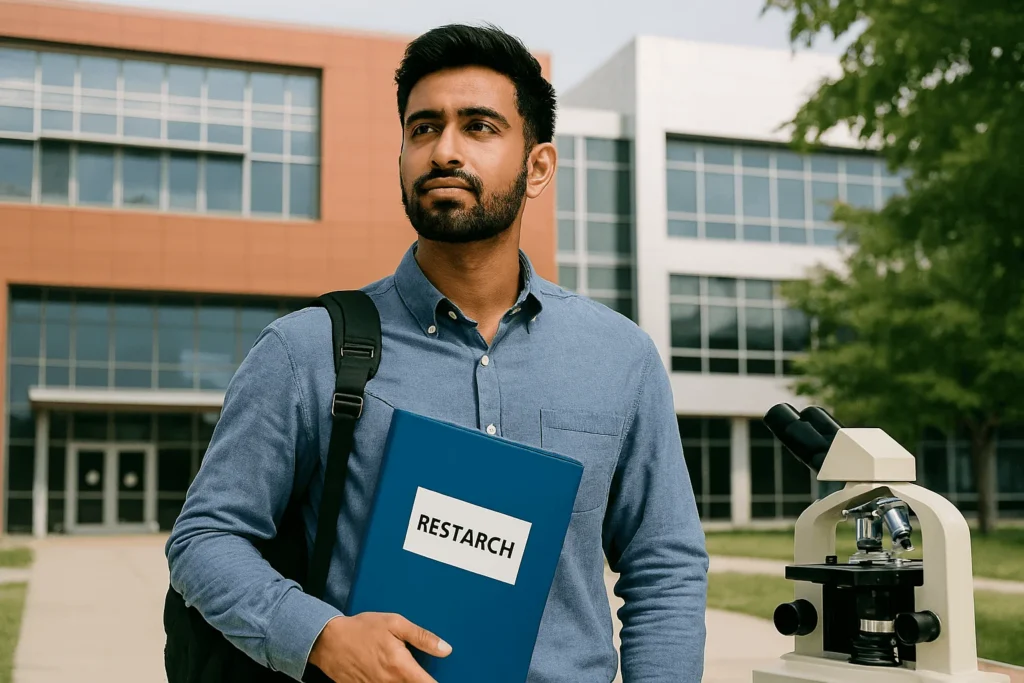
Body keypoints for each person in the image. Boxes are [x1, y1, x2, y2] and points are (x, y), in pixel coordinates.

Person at [166, 23, 708, 683]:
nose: (444, 149)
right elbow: (205, 539)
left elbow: (665, 566)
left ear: (539, 166)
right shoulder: (304, 349)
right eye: (423, 129)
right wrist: (320, 635)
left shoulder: (621, 358)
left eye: (478, 126)